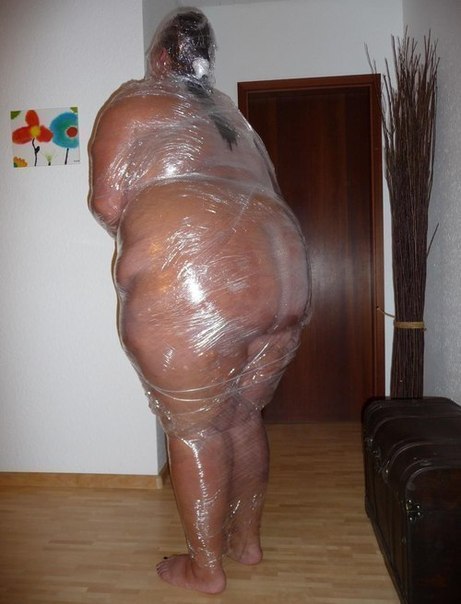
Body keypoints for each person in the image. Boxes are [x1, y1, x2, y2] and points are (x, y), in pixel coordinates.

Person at [88, 7, 310, 594]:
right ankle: (246, 541)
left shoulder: (134, 104)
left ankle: (205, 568)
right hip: (284, 270)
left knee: (194, 427)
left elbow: (107, 203)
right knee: (241, 415)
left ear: (162, 56)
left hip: (201, 276)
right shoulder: (232, 117)